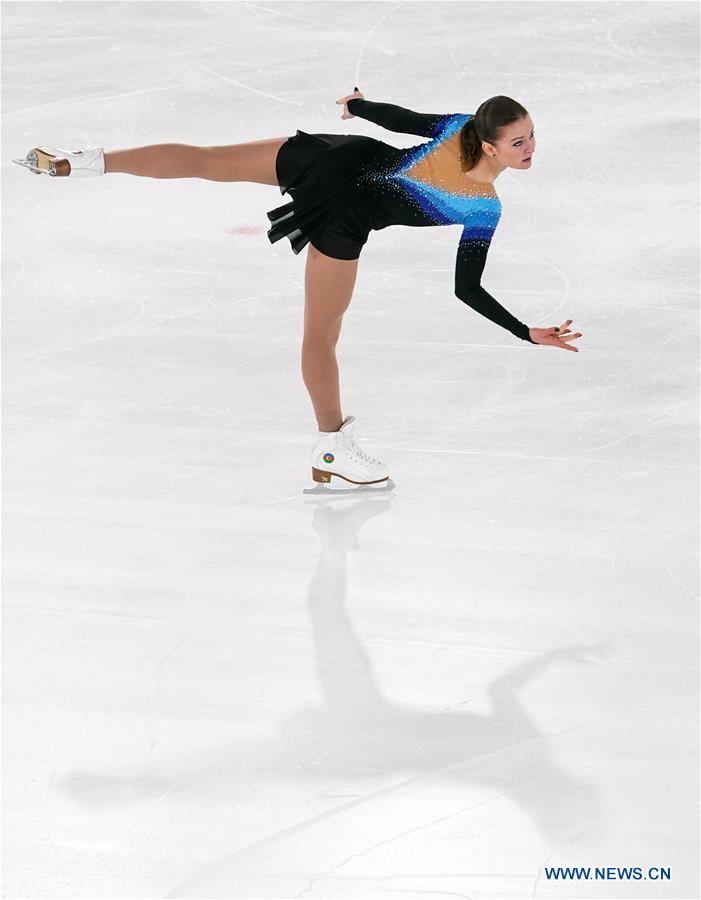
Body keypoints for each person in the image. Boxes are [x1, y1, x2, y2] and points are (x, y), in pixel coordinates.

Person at [13, 89, 582, 487]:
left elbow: (402, 122)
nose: (531, 147)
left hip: (334, 156)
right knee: (321, 335)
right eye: (519, 142)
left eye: (532, 136)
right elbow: (464, 285)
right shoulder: (481, 205)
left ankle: (84, 162)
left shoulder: (462, 130)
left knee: (209, 161)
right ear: (490, 147)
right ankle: (331, 446)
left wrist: (357, 107)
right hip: (344, 214)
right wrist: (523, 333)